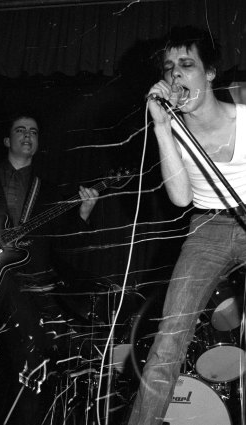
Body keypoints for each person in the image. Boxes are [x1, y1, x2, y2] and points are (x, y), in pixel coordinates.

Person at [127, 26, 245, 425]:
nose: (176, 75)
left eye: (187, 64)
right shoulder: (174, 130)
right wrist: (161, 125)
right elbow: (180, 198)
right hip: (207, 228)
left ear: (210, 72)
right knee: (167, 343)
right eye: (169, 67)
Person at [0, 112, 99, 425]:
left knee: (32, 369)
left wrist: (84, 212)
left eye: (34, 132)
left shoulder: (50, 191)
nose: (28, 135)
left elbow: (67, 243)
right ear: (7, 140)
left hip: (28, 289)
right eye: (21, 130)